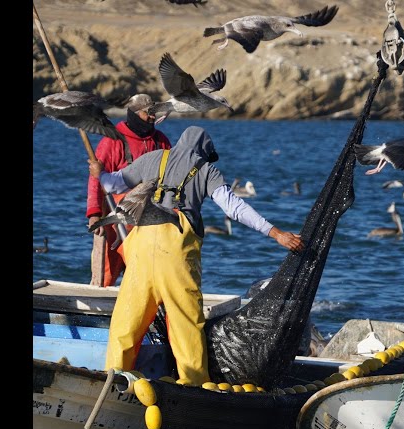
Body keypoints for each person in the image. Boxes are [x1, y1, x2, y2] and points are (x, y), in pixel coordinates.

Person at [88, 126, 304, 385]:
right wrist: (275, 232)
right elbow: (234, 208)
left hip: (140, 253)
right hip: (175, 257)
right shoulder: (205, 170)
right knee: (185, 325)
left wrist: (99, 174)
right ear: (203, 151)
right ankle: (192, 385)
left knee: (126, 323)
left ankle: (114, 380)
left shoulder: (153, 158)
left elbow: (112, 185)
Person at [86, 94, 172, 287]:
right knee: (105, 276)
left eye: (154, 113)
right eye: (147, 113)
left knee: (147, 275)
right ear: (133, 114)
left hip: (150, 222)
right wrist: (94, 213)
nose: (152, 117)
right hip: (115, 222)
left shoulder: (162, 142)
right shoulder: (112, 140)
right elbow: (95, 178)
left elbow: (172, 178)